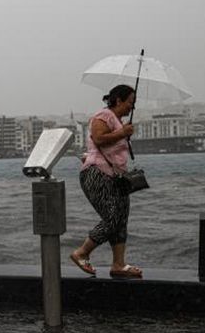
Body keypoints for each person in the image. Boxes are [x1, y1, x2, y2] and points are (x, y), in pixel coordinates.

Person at [70, 84, 142, 278]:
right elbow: (99, 138)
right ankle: (82, 252)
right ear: (118, 100)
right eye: (130, 102)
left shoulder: (118, 121)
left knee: (121, 218)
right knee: (113, 217)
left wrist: (123, 132)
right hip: (97, 173)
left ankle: (118, 264)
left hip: (116, 177)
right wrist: (122, 133)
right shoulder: (104, 115)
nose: (131, 107)